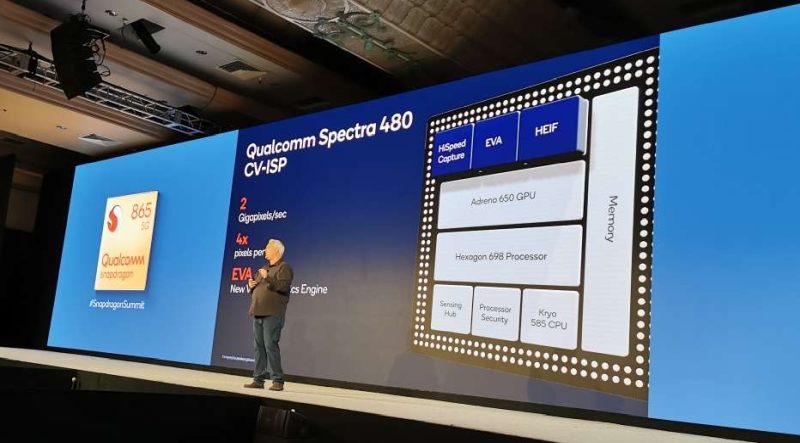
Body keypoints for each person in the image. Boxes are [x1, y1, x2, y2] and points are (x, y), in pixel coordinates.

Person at [243, 239, 293, 391]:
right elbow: (257, 288)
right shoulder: (263, 269)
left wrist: (267, 277)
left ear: (276, 251)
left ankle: (278, 380)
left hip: (273, 313)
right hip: (258, 312)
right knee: (259, 347)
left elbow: (283, 287)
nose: (265, 250)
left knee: (270, 345)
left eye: (267, 247)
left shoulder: (284, 267)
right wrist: (251, 286)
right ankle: (258, 380)